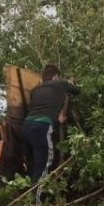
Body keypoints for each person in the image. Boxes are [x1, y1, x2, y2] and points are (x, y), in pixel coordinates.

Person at [22, 64, 80, 198]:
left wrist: (56, 120)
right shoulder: (60, 84)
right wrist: (69, 83)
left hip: (26, 127)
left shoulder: (34, 90)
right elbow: (77, 90)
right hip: (41, 128)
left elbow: (40, 108)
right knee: (43, 167)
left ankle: (29, 199)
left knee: (34, 167)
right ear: (55, 76)